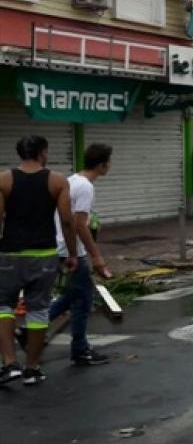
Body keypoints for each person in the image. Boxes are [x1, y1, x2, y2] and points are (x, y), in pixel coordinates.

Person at [0, 135, 78, 386]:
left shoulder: (4, 179)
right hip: (44, 254)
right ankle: (32, 368)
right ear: (42, 153)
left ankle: (9, 363)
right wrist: (73, 253)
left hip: (10, 253)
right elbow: (67, 220)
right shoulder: (56, 180)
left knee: (3, 306)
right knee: (39, 309)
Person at [50, 143, 114, 367]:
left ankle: (30, 330)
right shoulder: (85, 186)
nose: (110, 165)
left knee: (73, 295)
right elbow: (79, 224)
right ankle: (80, 350)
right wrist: (96, 256)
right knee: (83, 299)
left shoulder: (72, 180)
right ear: (102, 164)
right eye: (109, 161)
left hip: (60, 246)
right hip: (72, 250)